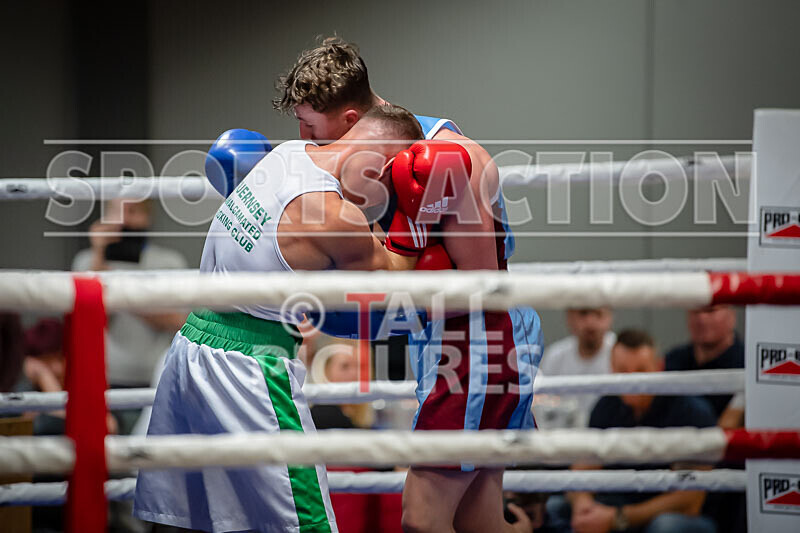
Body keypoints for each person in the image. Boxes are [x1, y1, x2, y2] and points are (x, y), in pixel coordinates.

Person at [134, 104, 467, 532]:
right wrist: (415, 215)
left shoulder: (285, 153)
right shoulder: (334, 216)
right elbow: (391, 285)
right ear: (383, 167)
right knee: (308, 523)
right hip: (250, 368)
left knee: (199, 522)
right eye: (391, 186)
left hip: (189, 351)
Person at [275, 37, 542, 533]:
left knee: (422, 519)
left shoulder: (442, 159)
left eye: (311, 128)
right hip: (444, 341)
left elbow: (483, 289)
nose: (308, 142)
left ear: (351, 120)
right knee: (478, 520)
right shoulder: (380, 162)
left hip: (478, 340)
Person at [548, 329, 717, 533]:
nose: (632, 381)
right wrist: (582, 503)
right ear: (611, 369)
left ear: (659, 367)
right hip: (616, 506)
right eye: (622, 371)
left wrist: (619, 518)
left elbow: (690, 500)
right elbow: (582, 471)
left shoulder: (691, 412)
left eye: (641, 371)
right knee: (555, 508)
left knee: (665, 526)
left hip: (674, 517)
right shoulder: (606, 405)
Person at [72, 199, 188, 434]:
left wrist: (121, 295)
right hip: (102, 382)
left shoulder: (169, 262)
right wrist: (99, 256)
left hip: (155, 381)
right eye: (116, 212)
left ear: (147, 217)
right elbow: (85, 319)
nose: (123, 219)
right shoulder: (87, 261)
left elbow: (180, 321)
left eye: (133, 211)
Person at [664, 305, 743, 425]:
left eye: (711, 311)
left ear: (731, 315)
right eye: (695, 311)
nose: (702, 318)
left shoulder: (748, 365)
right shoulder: (673, 360)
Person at [538, 308, 615, 427]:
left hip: (610, 438)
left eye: (598, 314)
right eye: (583, 313)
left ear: (610, 317)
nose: (590, 322)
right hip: (564, 438)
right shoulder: (554, 357)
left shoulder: (620, 354)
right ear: (569, 317)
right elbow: (543, 408)